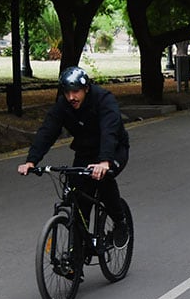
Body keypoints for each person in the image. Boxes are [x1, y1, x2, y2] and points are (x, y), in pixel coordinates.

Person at [17, 66, 130, 247]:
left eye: (76, 92)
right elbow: (48, 131)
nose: (71, 97)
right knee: (78, 198)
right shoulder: (64, 105)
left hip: (113, 149)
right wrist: (31, 160)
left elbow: (109, 131)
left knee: (103, 179)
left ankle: (120, 222)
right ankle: (76, 258)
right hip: (85, 152)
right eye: (67, 92)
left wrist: (104, 161)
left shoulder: (103, 99)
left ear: (86, 89)